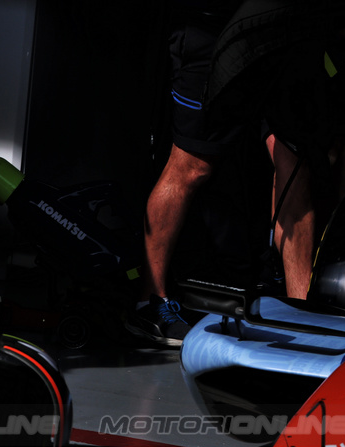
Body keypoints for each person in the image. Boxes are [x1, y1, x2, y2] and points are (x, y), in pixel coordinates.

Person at [127, 1, 246, 346]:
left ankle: (294, 303)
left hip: (260, 28)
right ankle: (149, 301)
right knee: (191, 164)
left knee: (286, 151)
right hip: (207, 26)